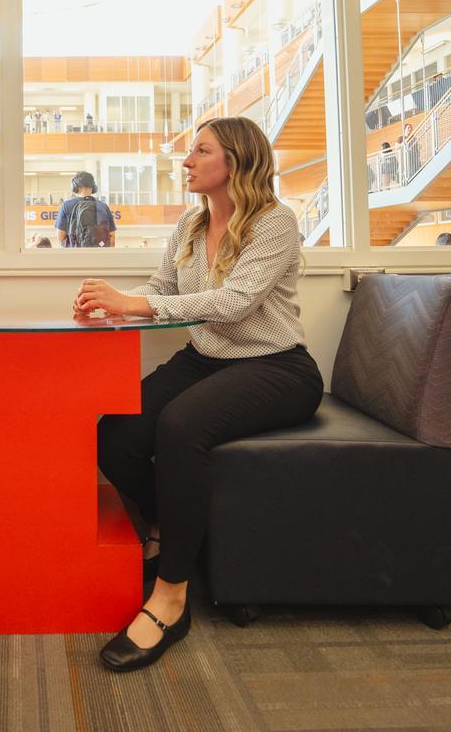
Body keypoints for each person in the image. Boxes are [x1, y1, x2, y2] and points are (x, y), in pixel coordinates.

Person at [75, 116, 322, 672]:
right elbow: (162, 291)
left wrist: (132, 304)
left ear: (234, 162)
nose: (186, 161)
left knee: (181, 427)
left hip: (276, 366)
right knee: (115, 434)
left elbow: (235, 302)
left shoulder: (275, 222)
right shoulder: (190, 223)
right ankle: (170, 530)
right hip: (205, 359)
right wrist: (109, 304)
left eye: (201, 151)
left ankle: (171, 598)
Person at [55, 172, 117, 247]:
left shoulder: (67, 205)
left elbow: (61, 237)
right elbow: (112, 240)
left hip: (75, 256)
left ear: (75, 186)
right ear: (93, 186)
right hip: (99, 255)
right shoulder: (103, 206)